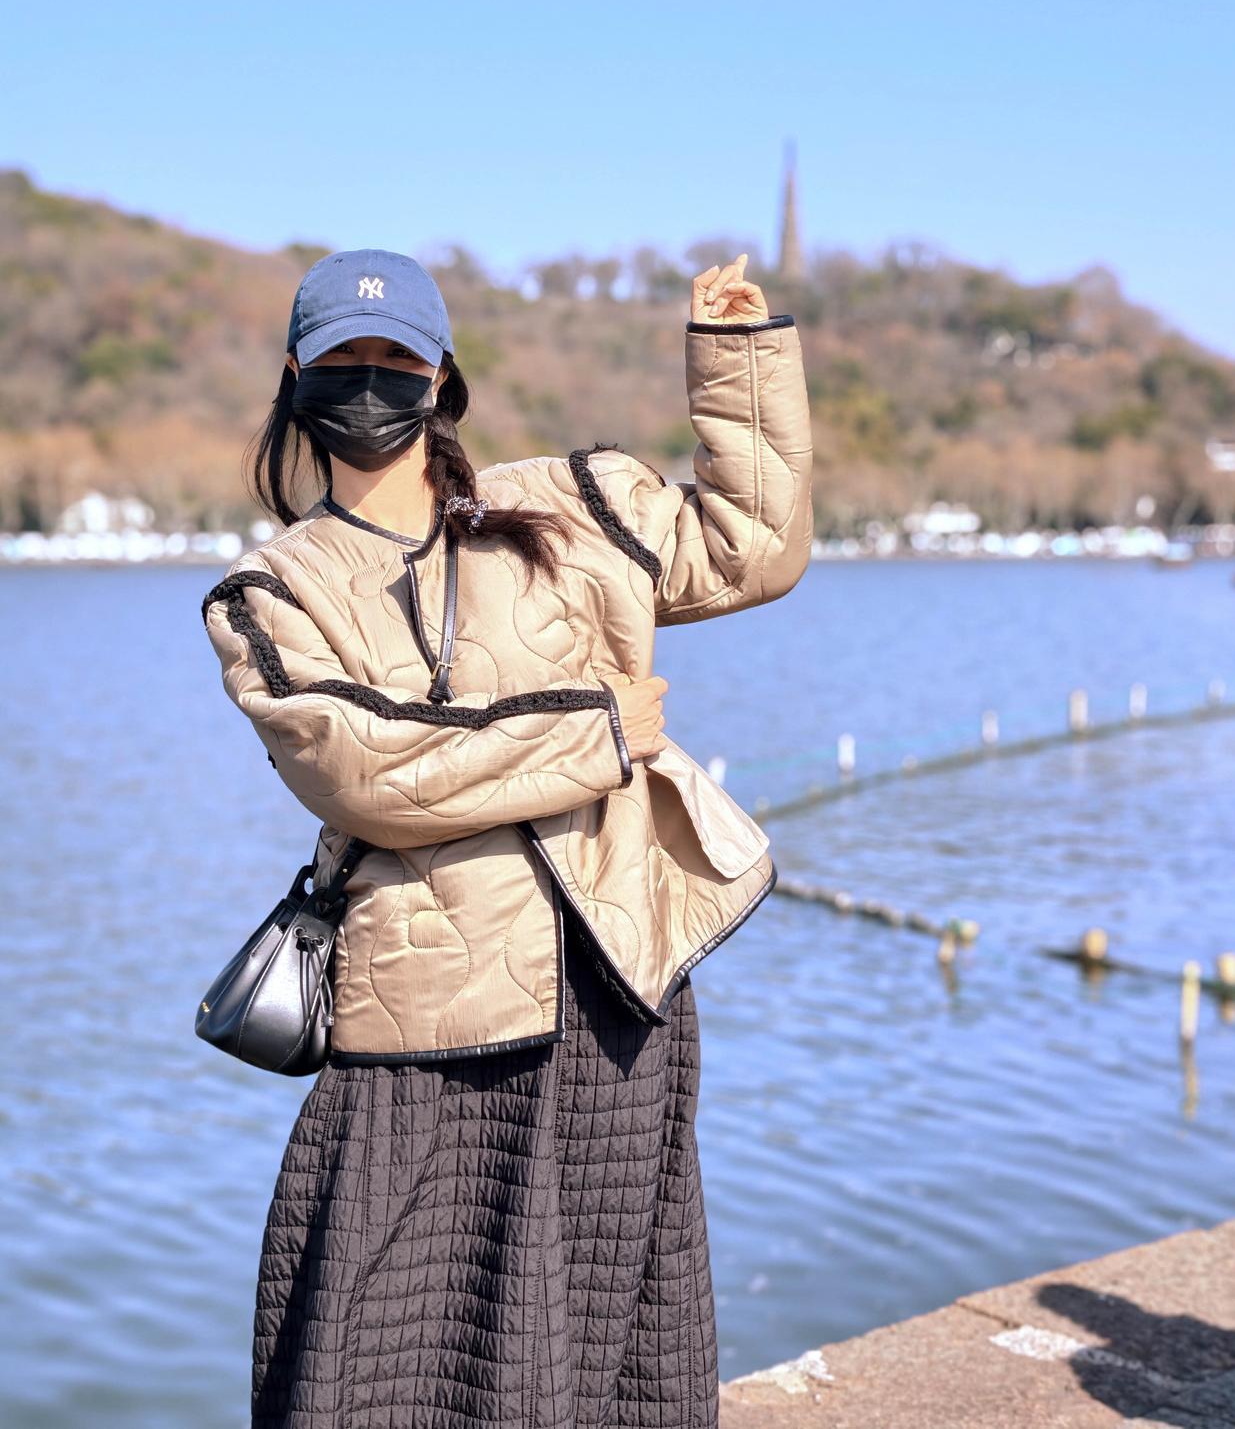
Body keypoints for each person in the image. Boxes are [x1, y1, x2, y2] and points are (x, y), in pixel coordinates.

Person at [201, 244, 813, 1428]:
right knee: (377, 1355)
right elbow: (363, 767)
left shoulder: (568, 509)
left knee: (615, 1346)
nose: (369, 380)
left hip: (615, 989)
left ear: (440, 374)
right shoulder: (270, 590)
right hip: (423, 1016)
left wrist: (734, 358)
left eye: (395, 357)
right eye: (341, 358)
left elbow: (754, 544)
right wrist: (595, 730)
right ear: (295, 375)